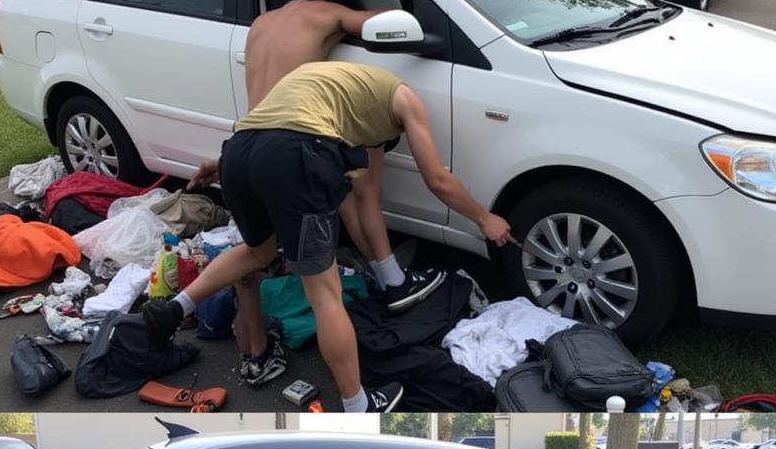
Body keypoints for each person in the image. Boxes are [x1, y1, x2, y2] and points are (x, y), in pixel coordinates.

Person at [143, 60, 516, 413]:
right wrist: (485, 219)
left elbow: (276, 132)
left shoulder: (328, 83)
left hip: (239, 151)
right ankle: (358, 405)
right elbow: (436, 179)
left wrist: (220, 166)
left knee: (257, 252)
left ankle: (179, 306)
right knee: (324, 294)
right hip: (298, 154)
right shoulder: (406, 99)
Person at [213, 0, 444, 387]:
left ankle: (254, 352)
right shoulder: (325, 13)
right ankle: (390, 284)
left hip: (245, 146)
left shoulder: (260, 24)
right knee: (348, 216)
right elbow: (381, 20)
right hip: (296, 149)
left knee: (253, 257)